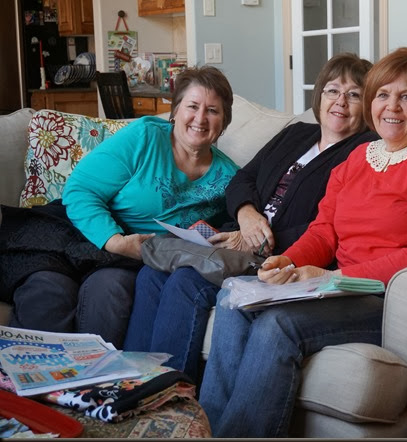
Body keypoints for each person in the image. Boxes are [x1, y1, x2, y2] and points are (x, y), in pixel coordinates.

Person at [197, 46, 407, 437]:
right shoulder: (358, 158)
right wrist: (287, 261)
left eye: (406, 97)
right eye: (383, 95)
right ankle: (210, 431)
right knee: (234, 296)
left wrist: (333, 277)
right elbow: (324, 231)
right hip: (335, 287)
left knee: (278, 325)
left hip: (385, 298)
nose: (391, 107)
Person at [122, 53, 379, 383]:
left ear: (367, 105)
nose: (340, 101)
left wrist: (260, 239)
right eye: (332, 90)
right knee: (152, 273)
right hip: (238, 235)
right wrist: (246, 214)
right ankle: (130, 383)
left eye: (353, 94)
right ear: (320, 95)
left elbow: (335, 224)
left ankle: (167, 391)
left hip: (278, 255)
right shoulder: (297, 134)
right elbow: (243, 178)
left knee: (187, 281)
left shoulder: (365, 151)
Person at [6, 66, 239, 348]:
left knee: (110, 289)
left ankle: (98, 375)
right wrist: (114, 241)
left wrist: (242, 222)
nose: (200, 118)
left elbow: (238, 220)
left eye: (212, 111)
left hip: (129, 260)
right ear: (175, 111)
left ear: (224, 122)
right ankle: (32, 376)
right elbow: (80, 190)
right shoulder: (145, 137)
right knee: (49, 292)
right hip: (76, 234)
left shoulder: (228, 177)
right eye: (192, 106)